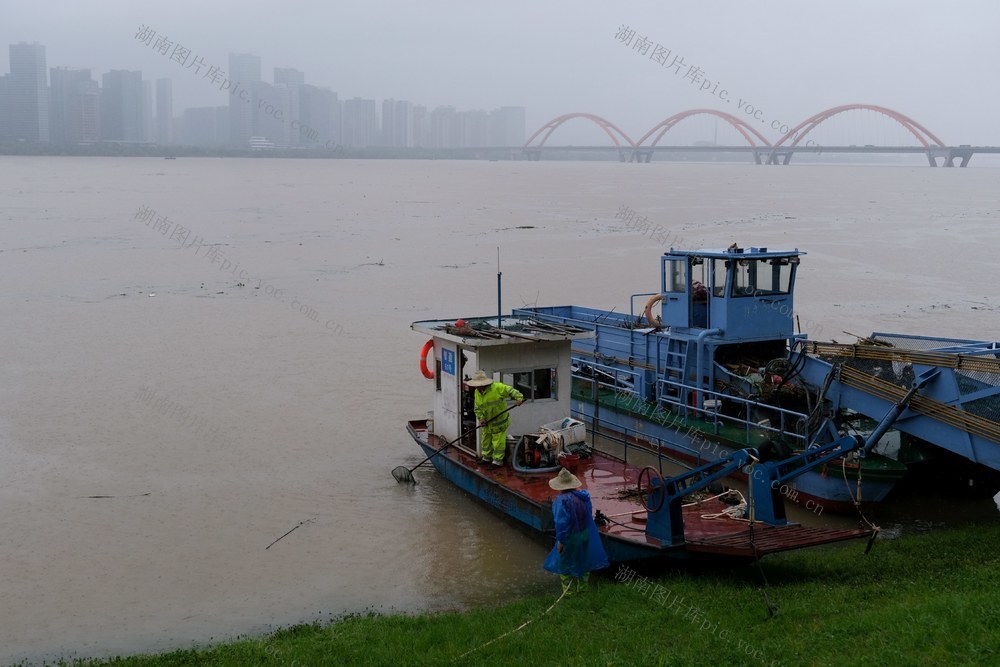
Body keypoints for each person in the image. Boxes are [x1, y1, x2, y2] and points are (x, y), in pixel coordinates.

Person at [543, 467, 609, 595]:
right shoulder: (584, 497)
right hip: (584, 534)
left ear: (560, 486)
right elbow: (588, 516)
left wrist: (561, 542)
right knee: (582, 559)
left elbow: (561, 524)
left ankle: (569, 593)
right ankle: (583, 590)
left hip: (570, 537)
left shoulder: (561, 501)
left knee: (565, 563)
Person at [467, 370, 524, 466]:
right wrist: (481, 418)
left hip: (499, 422)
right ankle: (486, 458)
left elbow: (511, 390)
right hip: (487, 422)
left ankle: (497, 461)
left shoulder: (497, 387)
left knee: (498, 443)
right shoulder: (477, 392)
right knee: (486, 441)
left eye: (478, 385)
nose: (477, 387)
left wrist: (518, 398)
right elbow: (477, 408)